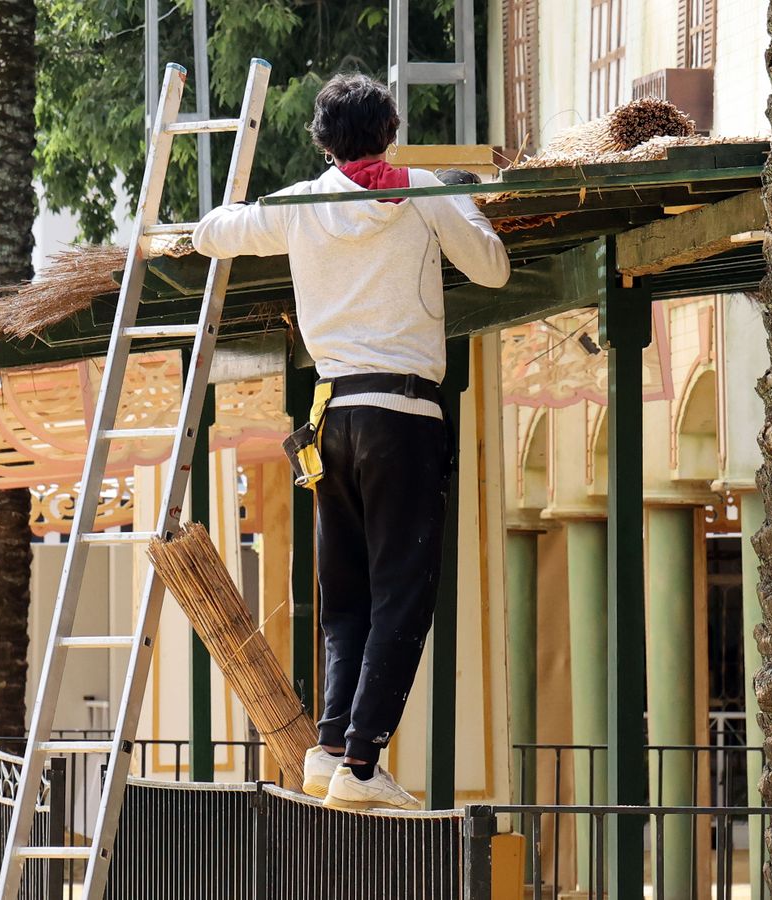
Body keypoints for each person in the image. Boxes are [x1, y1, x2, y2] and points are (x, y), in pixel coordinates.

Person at [192, 73, 509, 810]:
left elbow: (212, 233)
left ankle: (332, 747)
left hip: (331, 418)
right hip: (404, 416)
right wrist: (458, 200)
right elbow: (491, 271)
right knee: (404, 594)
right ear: (390, 133)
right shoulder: (422, 191)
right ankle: (362, 767)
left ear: (324, 142)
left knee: (346, 597)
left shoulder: (303, 204)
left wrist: (257, 210)